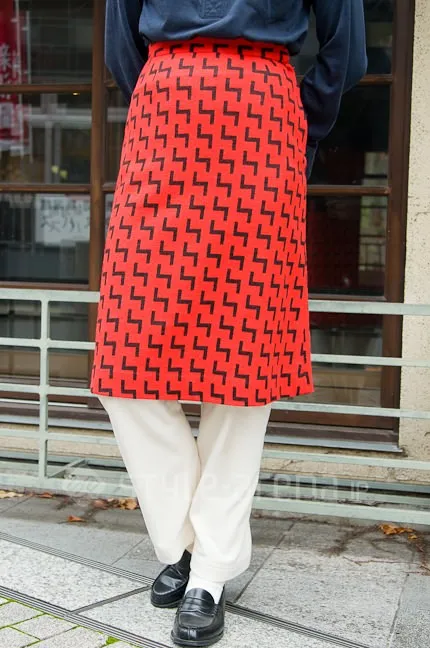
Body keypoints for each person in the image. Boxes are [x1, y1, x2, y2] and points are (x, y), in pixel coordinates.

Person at [91, 1, 367, 645]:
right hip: (163, 121)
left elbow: (346, 50)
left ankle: (208, 572)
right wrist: (168, 95)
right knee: (126, 361)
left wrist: (296, 124)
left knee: (243, 362)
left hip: (261, 124)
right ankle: (186, 543)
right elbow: (121, 45)